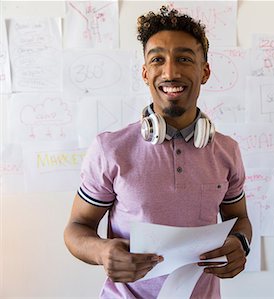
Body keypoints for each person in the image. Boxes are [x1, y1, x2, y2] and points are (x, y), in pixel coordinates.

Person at [63, 6, 252, 299]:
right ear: (145, 72)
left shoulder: (227, 151)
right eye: (157, 60)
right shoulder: (110, 149)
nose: (171, 72)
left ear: (205, 71)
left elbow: (240, 219)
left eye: (184, 59)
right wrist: (102, 252)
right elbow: (77, 227)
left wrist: (240, 243)